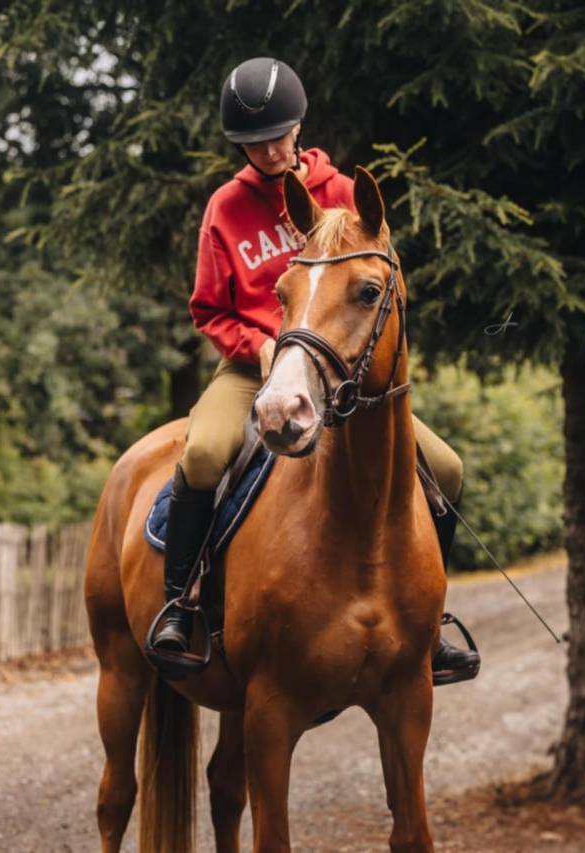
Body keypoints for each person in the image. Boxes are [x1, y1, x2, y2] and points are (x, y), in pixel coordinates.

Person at [153, 56, 479, 685]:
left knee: (446, 468)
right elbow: (207, 309)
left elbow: (379, 291)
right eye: (253, 142)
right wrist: (261, 348)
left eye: (277, 135)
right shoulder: (225, 208)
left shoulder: (343, 196)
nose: (269, 150)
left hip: (339, 372)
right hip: (255, 367)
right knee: (202, 456)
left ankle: (428, 622)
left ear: (299, 126)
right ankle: (181, 602)